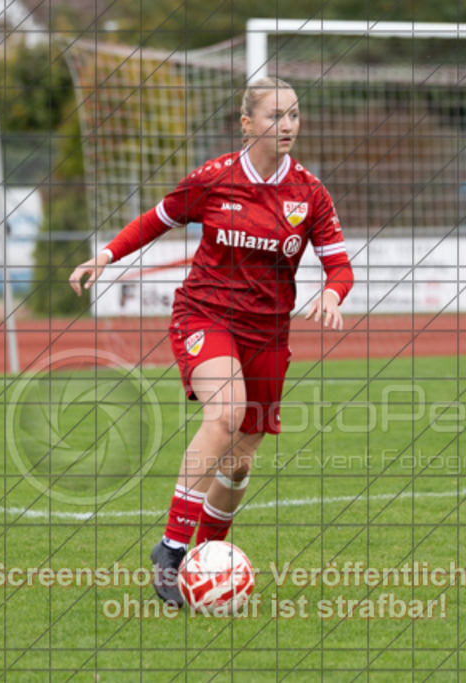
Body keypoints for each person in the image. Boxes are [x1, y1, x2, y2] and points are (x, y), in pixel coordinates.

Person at [69, 77, 354, 605]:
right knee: (225, 413)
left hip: (268, 333)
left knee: (240, 459)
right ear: (247, 124)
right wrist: (106, 255)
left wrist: (334, 294)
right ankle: (172, 552)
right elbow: (157, 220)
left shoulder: (309, 192)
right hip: (205, 314)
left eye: (293, 115)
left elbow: (339, 266)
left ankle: (210, 559)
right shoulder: (214, 179)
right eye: (275, 116)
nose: (287, 125)